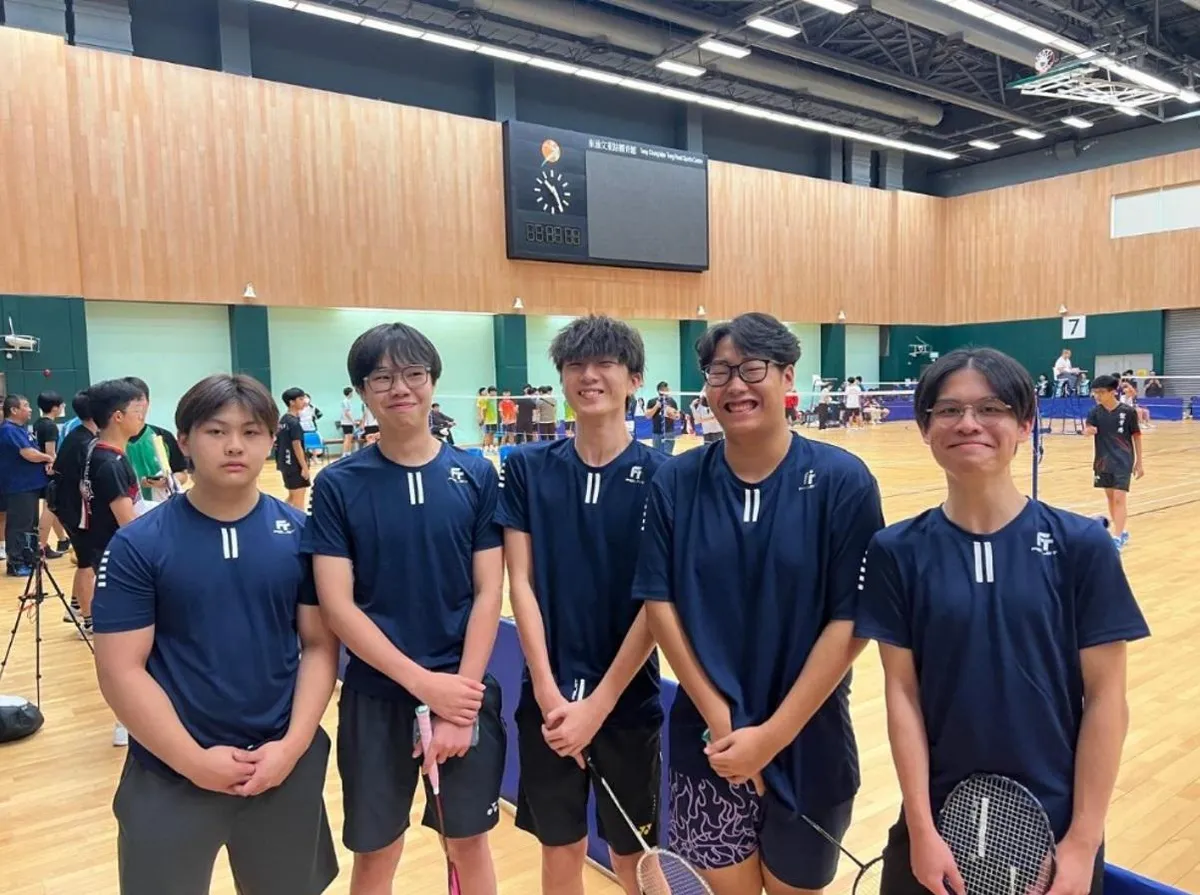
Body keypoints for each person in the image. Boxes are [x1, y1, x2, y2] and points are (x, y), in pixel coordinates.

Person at [853, 348, 1150, 895]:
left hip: (1056, 833)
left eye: (991, 408)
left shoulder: (1082, 545)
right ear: (925, 427)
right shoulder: (896, 550)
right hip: (936, 826)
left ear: (1025, 424)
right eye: (948, 410)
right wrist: (921, 828)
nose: (969, 423)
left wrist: (1083, 841)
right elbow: (902, 694)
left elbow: (1107, 698)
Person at [634, 312, 884, 895]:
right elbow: (659, 604)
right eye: (719, 372)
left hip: (810, 741)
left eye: (752, 368)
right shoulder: (677, 481)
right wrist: (724, 726)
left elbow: (852, 619)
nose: (735, 385)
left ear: (787, 375)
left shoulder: (844, 481)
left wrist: (771, 737)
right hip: (708, 743)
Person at [92, 373, 339, 895]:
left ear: (270, 441)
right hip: (170, 773)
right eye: (216, 431)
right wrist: (191, 760)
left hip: (281, 769)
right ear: (184, 441)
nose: (234, 446)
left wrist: (291, 747)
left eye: (251, 432)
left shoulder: (299, 536)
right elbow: (120, 670)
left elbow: (320, 646)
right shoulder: (139, 544)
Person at [303, 323, 506, 895]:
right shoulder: (338, 484)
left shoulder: (476, 474)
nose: (400, 388)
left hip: (464, 692)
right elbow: (337, 606)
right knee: (376, 853)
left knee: (468, 844)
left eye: (414, 374)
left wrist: (458, 705)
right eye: (382, 378)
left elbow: (489, 592)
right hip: (376, 698)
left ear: (432, 382)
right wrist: (423, 685)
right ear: (362, 391)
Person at [497, 316, 667, 895]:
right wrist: (548, 692)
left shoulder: (666, 477)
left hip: (626, 700)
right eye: (575, 365)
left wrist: (599, 705)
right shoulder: (526, 469)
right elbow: (520, 583)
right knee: (560, 847)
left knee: (635, 856)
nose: (588, 376)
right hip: (546, 700)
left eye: (605, 364)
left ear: (634, 379)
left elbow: (657, 603)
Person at [51, 390, 101, 626]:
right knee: (87, 564)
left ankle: (75, 607)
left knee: (84, 560)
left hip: (69, 508)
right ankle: (89, 619)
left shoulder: (78, 435)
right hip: (76, 510)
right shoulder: (85, 442)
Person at [1084, 374, 1144, 550]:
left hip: (1123, 460)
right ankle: (1121, 531)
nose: (1097, 396)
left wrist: (1139, 462)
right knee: (1110, 498)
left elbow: (1137, 437)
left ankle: (1116, 537)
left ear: (1112, 392)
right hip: (1102, 460)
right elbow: (1087, 429)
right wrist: (1088, 431)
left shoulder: (1128, 412)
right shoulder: (1094, 412)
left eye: (1101, 392)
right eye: (1095, 392)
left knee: (1119, 498)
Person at [0, 394, 55, 576]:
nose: (30, 409)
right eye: (26, 406)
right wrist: (48, 458)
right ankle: (15, 563)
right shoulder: (9, 430)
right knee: (19, 525)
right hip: (19, 487)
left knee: (30, 524)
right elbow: (28, 453)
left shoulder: (21, 429)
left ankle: (29, 558)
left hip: (30, 486)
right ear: (14, 410)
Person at [33, 390, 69, 557]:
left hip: (38, 471)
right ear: (55, 408)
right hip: (48, 471)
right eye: (61, 404)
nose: (63, 407)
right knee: (49, 507)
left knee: (53, 506)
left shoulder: (38, 423)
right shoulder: (50, 426)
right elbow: (50, 452)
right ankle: (41, 546)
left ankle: (62, 539)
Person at [274, 387, 311, 510]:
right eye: (301, 399)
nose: (304, 401)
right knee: (298, 502)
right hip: (294, 465)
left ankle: (279, 516)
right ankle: (299, 522)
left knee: (292, 498)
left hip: (286, 464)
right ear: (292, 402)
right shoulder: (294, 423)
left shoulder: (283, 420)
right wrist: (304, 467)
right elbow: (297, 446)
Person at [645, 381, 679, 455]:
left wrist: (671, 412)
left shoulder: (672, 401)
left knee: (668, 455)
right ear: (659, 390)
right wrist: (656, 406)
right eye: (664, 389)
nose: (667, 391)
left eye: (667, 389)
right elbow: (647, 416)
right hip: (656, 433)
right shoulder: (652, 401)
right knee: (657, 455)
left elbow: (677, 417)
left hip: (669, 433)